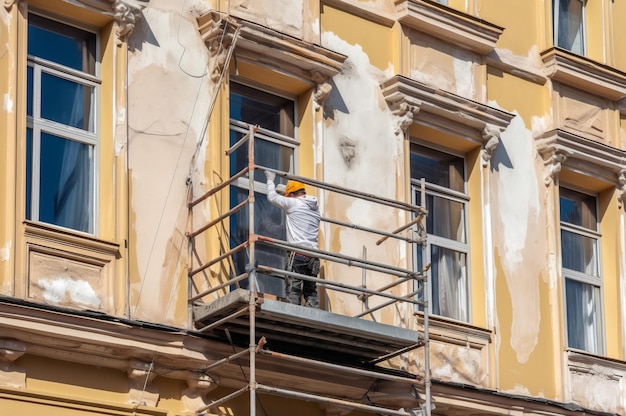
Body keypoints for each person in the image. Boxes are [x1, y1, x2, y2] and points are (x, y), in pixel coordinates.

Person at [265, 170, 321, 308]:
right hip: (314, 255)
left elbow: (271, 197)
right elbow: (296, 197)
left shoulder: (293, 204)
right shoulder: (314, 207)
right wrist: (285, 191)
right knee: (310, 291)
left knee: (293, 289)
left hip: (298, 254)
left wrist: (270, 181)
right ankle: (314, 314)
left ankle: (293, 314)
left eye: (288, 196)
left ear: (292, 195)